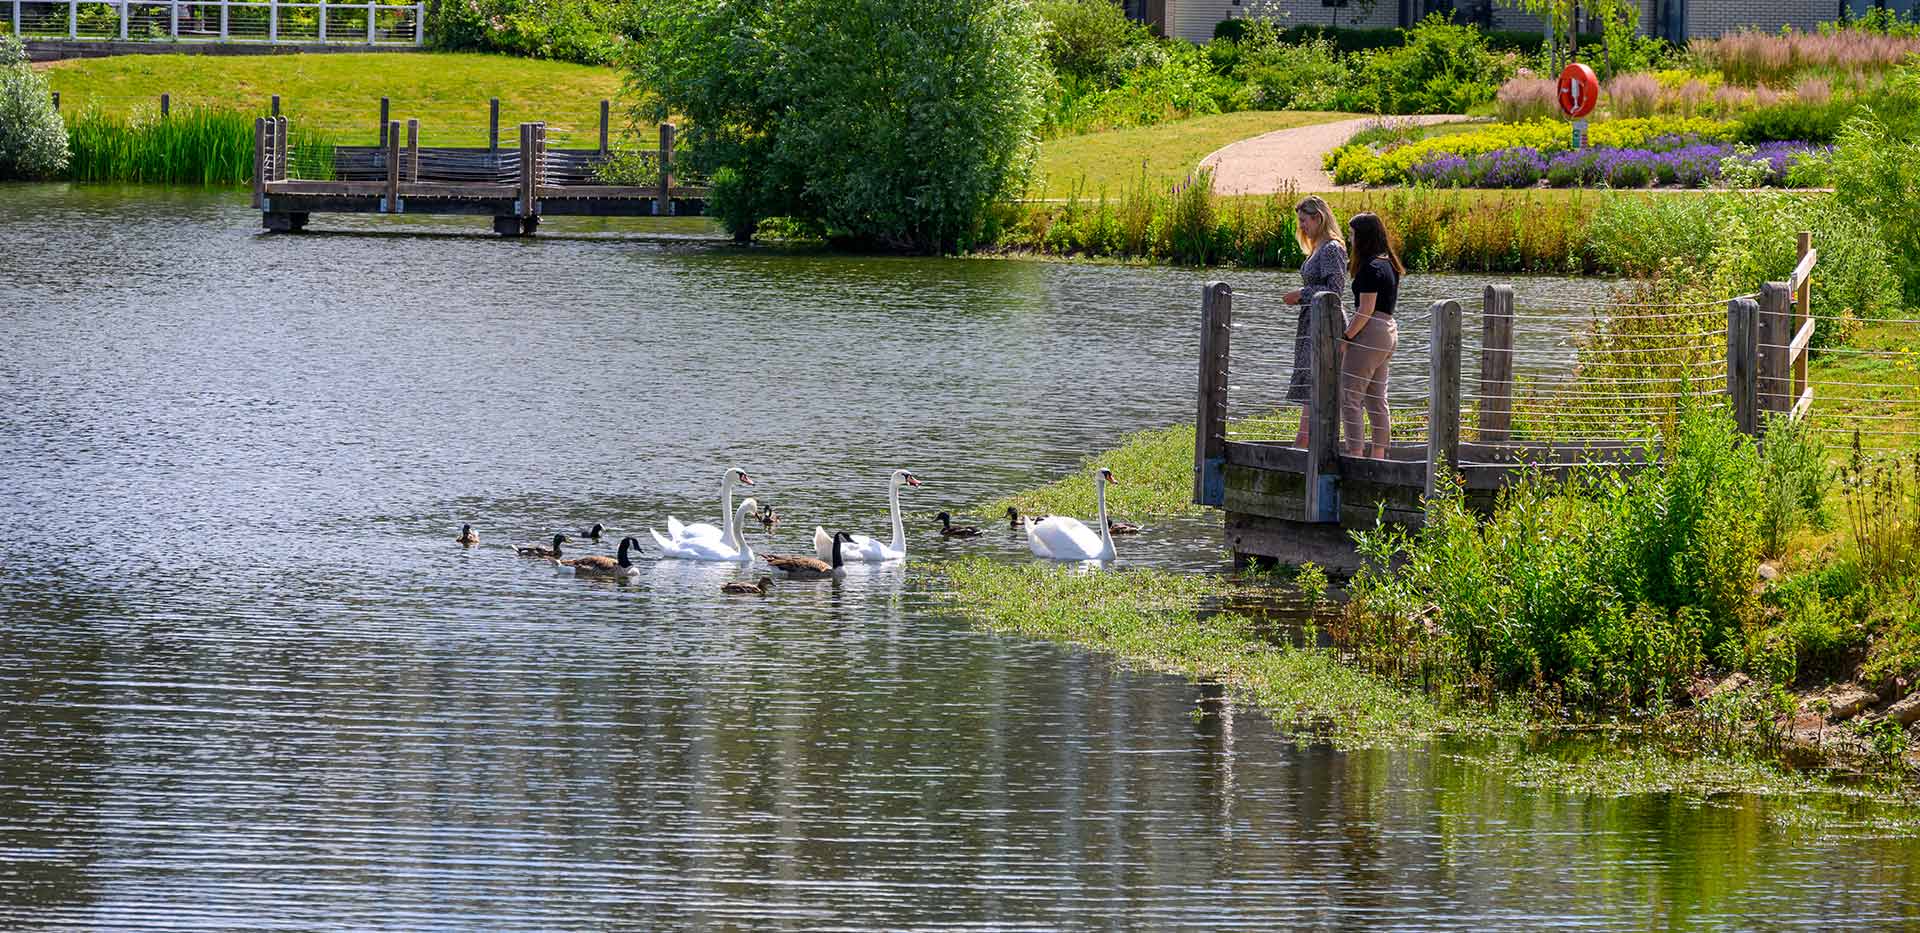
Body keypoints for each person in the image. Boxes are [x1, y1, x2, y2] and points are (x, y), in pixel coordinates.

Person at [1281, 196, 1347, 448]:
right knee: (1311, 381)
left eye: (1304, 220)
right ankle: (1305, 442)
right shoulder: (1318, 247)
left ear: (1319, 217)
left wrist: (1301, 294)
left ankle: (1304, 444)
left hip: (1326, 323)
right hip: (1312, 321)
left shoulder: (1332, 248)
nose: (1301, 226)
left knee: (1317, 381)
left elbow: (1335, 290)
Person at [1341, 212, 1404, 459]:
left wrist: (1346, 337)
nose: (1350, 238)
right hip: (1388, 331)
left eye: (1352, 234)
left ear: (1363, 237)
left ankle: (1355, 454)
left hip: (1370, 333)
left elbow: (1365, 310)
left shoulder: (1369, 268)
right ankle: (1378, 455)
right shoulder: (1389, 264)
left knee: (1350, 395)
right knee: (1377, 398)